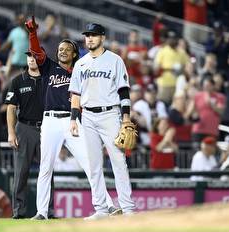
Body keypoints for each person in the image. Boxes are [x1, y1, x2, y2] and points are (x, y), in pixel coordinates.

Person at [25, 17, 117, 220]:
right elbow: (37, 52)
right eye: (60, 49)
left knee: (91, 164)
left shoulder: (81, 70)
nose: (62, 51)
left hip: (72, 121)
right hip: (50, 121)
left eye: (67, 49)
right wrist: (33, 33)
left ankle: (108, 206)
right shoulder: (49, 67)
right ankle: (42, 212)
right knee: (45, 167)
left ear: (74, 53)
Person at [69, 23, 136, 220]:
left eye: (94, 35)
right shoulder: (80, 63)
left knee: (118, 161)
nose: (90, 38)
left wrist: (125, 118)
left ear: (102, 38)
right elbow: (75, 95)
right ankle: (100, 209)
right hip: (87, 116)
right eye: (87, 35)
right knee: (93, 165)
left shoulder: (115, 60)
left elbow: (124, 91)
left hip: (110, 115)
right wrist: (74, 119)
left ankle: (128, 208)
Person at [5, 52, 55, 219]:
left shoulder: (49, 78)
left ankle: (48, 210)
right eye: (29, 56)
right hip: (25, 127)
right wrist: (11, 132)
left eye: (35, 56)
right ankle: (18, 210)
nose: (32, 59)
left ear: (41, 58)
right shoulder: (18, 80)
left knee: (47, 170)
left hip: (47, 127)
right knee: (21, 172)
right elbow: (11, 108)